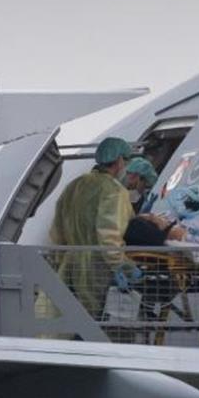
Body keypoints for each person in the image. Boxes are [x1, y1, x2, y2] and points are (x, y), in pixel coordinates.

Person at [44, 136, 137, 319]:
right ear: (119, 161)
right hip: (98, 270)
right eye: (125, 162)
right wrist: (123, 267)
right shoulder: (113, 191)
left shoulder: (75, 185)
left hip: (69, 265)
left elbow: (57, 229)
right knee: (96, 324)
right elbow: (109, 237)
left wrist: (59, 259)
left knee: (71, 320)